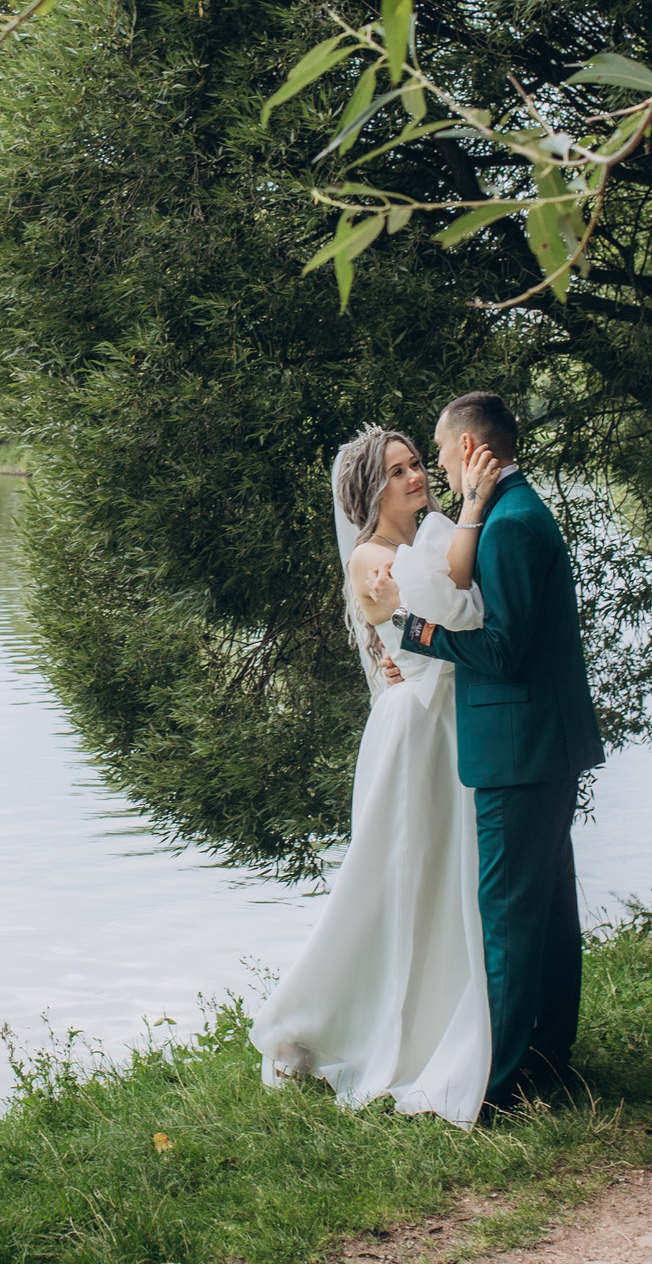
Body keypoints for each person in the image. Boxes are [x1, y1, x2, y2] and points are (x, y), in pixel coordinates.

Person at [248, 423, 495, 1124]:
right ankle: (320, 1023)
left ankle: (442, 1021)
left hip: (447, 718)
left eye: (417, 462)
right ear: (368, 491)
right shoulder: (370, 558)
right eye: (396, 471)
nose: (415, 474)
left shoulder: (425, 543)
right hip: (413, 728)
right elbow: (408, 614)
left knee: (448, 881)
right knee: (394, 881)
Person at [373, 390, 606, 1110]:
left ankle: (498, 1085)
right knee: (549, 910)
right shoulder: (515, 512)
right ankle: (547, 1054)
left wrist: (418, 635)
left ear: (472, 448)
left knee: (507, 916)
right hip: (541, 742)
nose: (437, 468)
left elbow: (501, 652)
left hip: (518, 747)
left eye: (440, 452)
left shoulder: (508, 525)